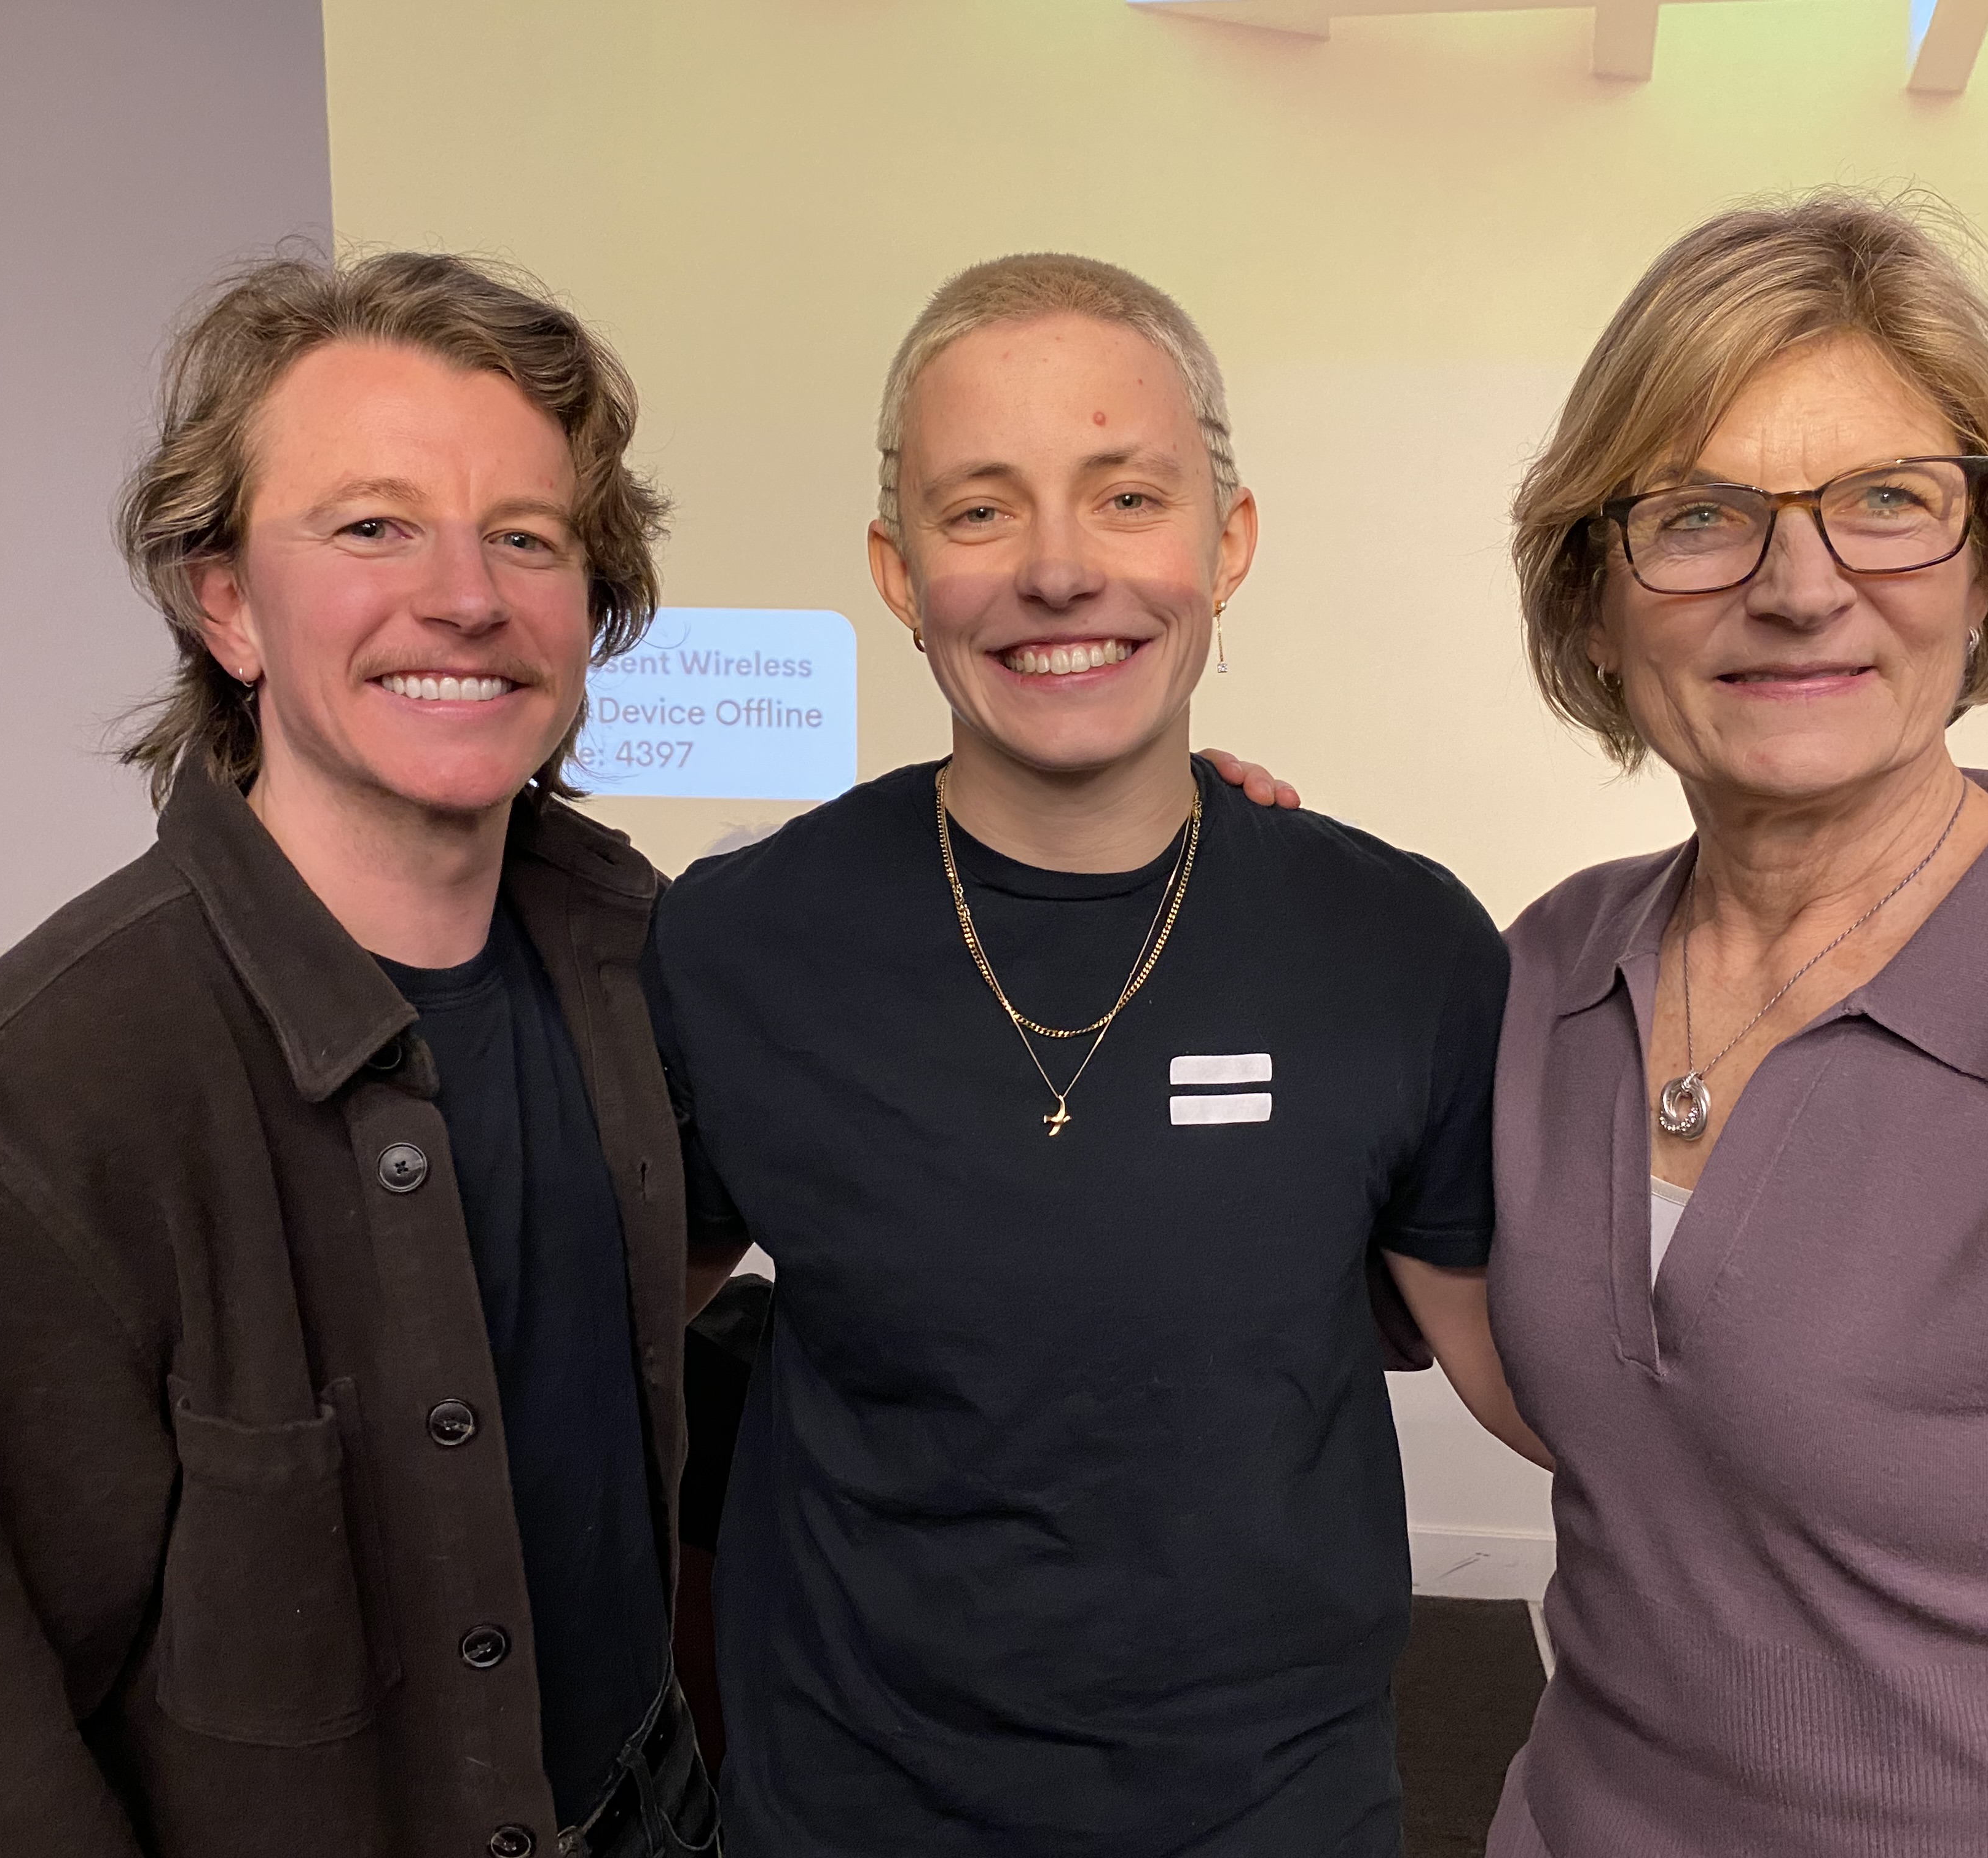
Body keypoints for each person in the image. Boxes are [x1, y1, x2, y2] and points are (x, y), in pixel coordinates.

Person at [651, 252, 1546, 1857]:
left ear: (1231, 539)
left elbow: (1533, 1380)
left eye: (1128, 496)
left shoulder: (1401, 948)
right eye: (982, 509)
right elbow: (596, 1337)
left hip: (1272, 1816)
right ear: (898, 568)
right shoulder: (739, 944)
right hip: (856, 1814)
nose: (1062, 571)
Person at [0, 251, 726, 1857]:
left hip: (651, 1802)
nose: (464, 594)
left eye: (525, 536)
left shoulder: (643, 962)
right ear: (225, 599)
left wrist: (1173, 842)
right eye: (373, 524)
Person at [1484, 191, 1988, 1855]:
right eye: (1701, 514)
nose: (1803, 587)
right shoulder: (1542, 976)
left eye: (1887, 502)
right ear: (1592, 595)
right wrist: (1212, 889)